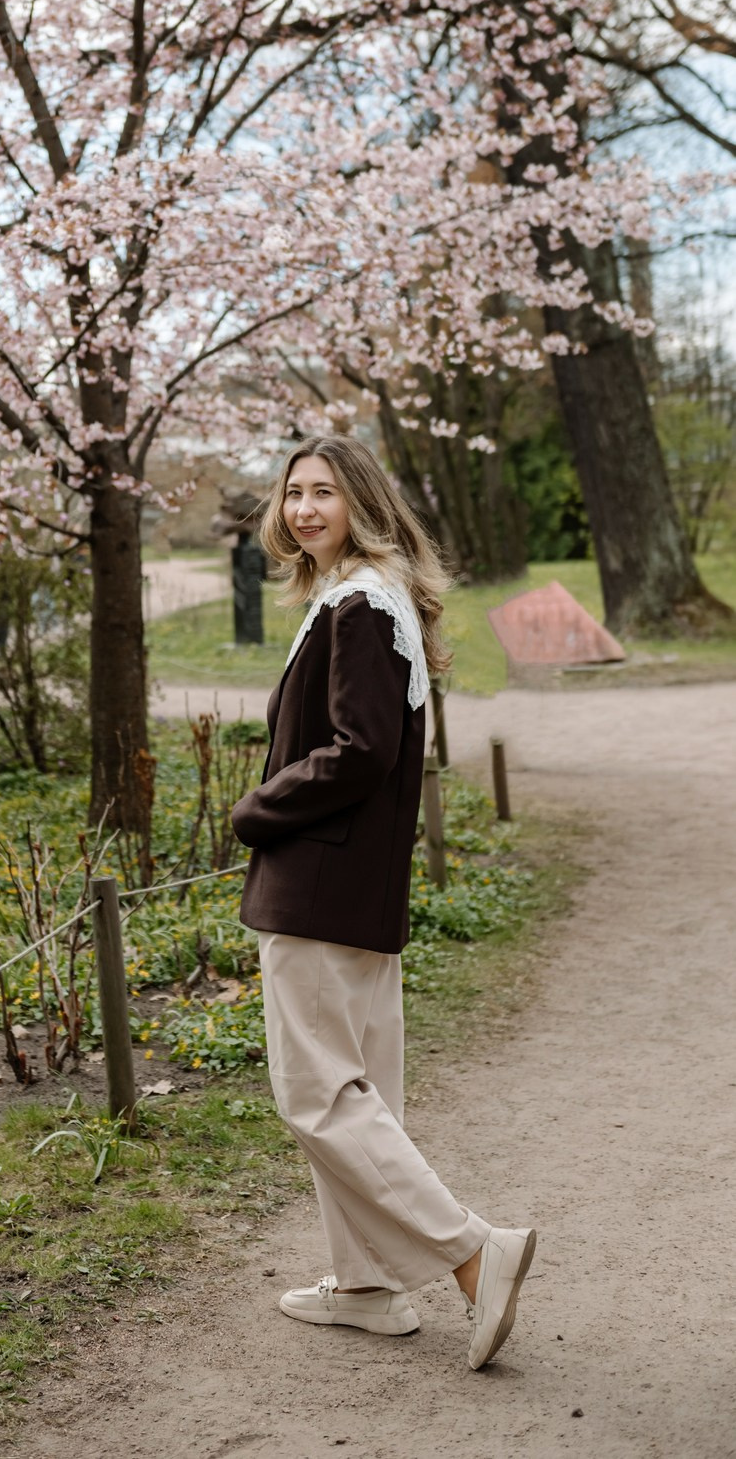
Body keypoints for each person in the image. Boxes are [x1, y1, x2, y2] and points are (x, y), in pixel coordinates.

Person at [231, 434, 535, 1370]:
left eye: (325, 492)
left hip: (317, 885)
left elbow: (360, 750)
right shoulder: (368, 596)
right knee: (364, 1091)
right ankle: (366, 1286)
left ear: (362, 501)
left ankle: (470, 1251)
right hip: (356, 883)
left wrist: (256, 807)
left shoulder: (358, 604)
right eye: (294, 495)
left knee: (318, 1094)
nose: (305, 510)